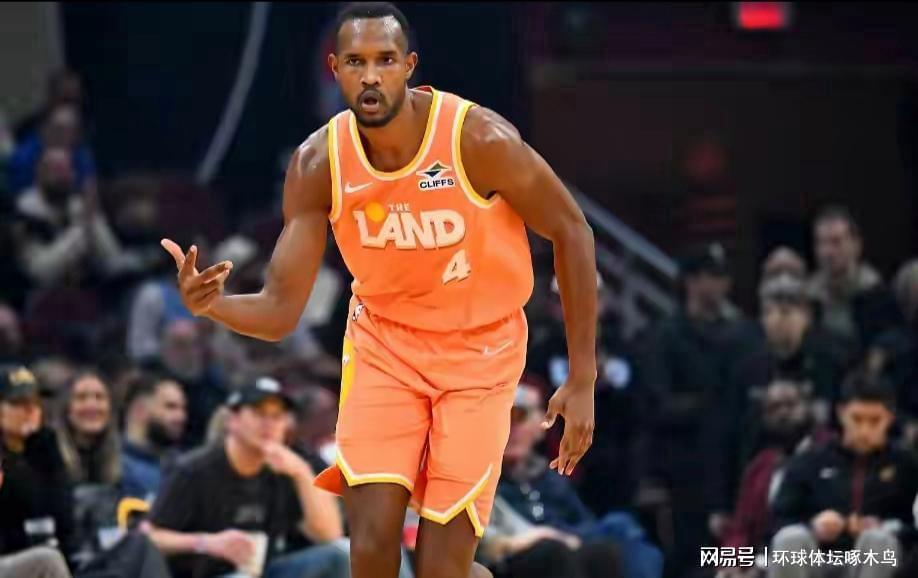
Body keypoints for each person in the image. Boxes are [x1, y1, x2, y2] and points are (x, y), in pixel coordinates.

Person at [159, 3, 598, 578]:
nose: (371, 76)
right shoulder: (318, 162)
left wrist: (582, 376)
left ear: (409, 65)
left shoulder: (476, 138)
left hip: (481, 352)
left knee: (443, 567)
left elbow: (572, 230)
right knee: (369, 546)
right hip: (385, 347)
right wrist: (213, 305)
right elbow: (280, 311)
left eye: (385, 60)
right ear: (335, 68)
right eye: (356, 62)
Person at [145, 377, 348, 578]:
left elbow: (329, 536)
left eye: (277, 416)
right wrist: (206, 543)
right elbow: (149, 537)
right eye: (259, 414)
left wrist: (302, 473)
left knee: (340, 555)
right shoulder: (194, 470)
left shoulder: (285, 468)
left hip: (263, 571)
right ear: (232, 420)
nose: (268, 424)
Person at [769, 372, 918, 578]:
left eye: (875, 421)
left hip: (877, 560)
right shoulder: (810, 460)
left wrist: (886, 527)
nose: (864, 431)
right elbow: (777, 521)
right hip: (819, 558)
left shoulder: (906, 465)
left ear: (890, 418)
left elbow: (913, 528)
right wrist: (813, 526)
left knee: (879, 540)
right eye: (856, 419)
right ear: (841, 413)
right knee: (790, 538)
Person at [719, 380, 832, 578]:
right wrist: (732, 565)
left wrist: (761, 567)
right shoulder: (760, 466)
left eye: (790, 405)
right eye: (773, 408)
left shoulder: (830, 454)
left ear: (808, 407)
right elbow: (741, 529)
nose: (782, 413)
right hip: (762, 561)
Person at [0, 365, 74, 559]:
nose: (30, 410)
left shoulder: (44, 448)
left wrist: (44, 444)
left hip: (45, 556)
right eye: (18, 402)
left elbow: (65, 519)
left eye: (35, 402)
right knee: (47, 559)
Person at [807, 206, 882, 347]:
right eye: (821, 243)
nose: (827, 252)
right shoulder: (807, 297)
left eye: (836, 242)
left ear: (856, 245)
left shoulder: (877, 295)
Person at [121, 374, 187, 500]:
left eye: (183, 409)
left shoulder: (183, 465)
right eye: (170, 407)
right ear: (140, 410)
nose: (181, 417)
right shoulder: (115, 466)